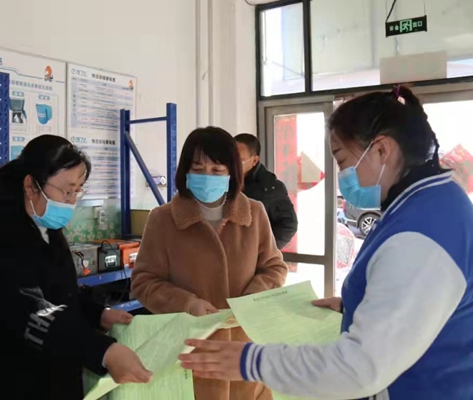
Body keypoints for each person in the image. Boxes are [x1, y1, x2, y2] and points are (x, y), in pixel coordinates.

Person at [179, 87, 473, 399]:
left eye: (342, 160)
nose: (342, 175)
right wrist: (357, 304)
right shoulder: (435, 202)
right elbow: (420, 301)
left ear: (381, 150)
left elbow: (359, 369)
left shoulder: (420, 233)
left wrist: (251, 361)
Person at [0, 135, 152, 400]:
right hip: (7, 381)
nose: (71, 200)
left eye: (77, 191)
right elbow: (29, 310)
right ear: (31, 185)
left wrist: (98, 313)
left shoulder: (45, 227)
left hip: (51, 377)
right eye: (66, 190)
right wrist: (102, 351)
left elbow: (60, 291)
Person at [131, 126, 288, 400]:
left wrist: (252, 298)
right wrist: (186, 303)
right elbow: (144, 282)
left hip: (244, 348)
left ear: (232, 173)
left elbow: (274, 268)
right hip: (188, 348)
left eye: (217, 170)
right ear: (185, 172)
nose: (207, 177)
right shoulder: (163, 219)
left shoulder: (254, 213)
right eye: (198, 169)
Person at [234, 134, 297, 249]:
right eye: (229, 158)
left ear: (254, 160)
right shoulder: (222, 177)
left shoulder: (270, 187)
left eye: (239, 160)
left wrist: (263, 250)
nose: (232, 164)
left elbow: (288, 225)